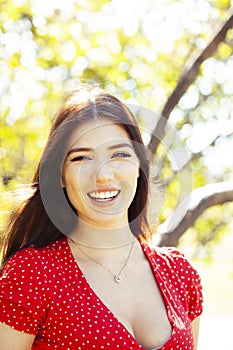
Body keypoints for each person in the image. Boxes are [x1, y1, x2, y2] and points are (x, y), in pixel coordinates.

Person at [0, 85, 203, 350]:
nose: (104, 175)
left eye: (119, 154)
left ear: (139, 166)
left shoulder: (180, 274)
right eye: (82, 158)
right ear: (60, 175)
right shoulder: (33, 274)